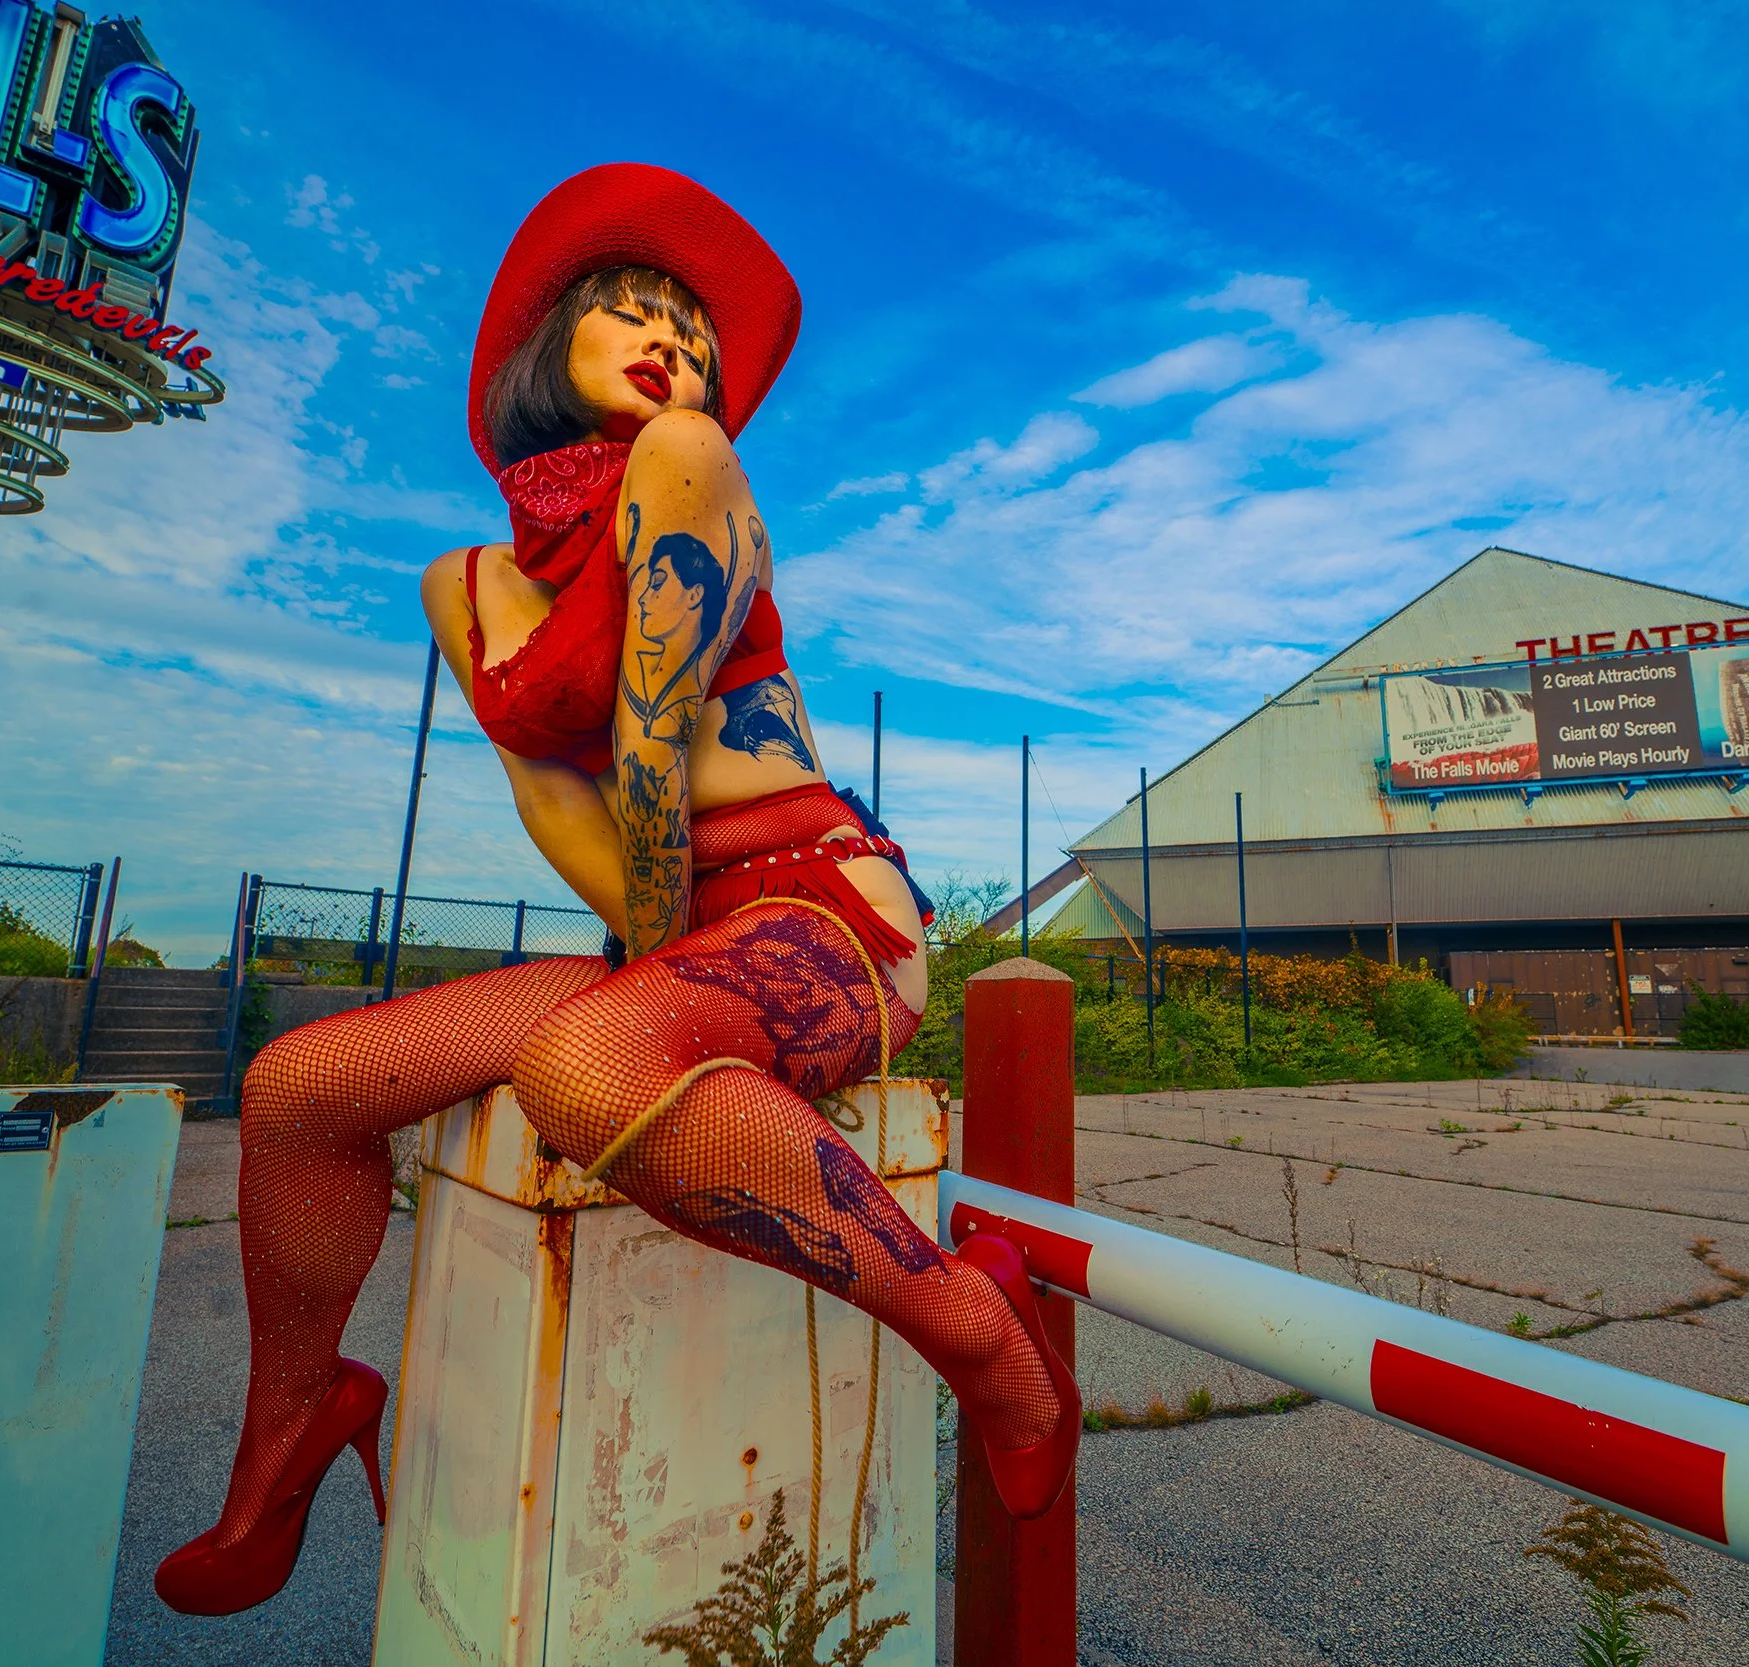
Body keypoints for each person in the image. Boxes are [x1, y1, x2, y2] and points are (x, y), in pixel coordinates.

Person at [156, 164, 1078, 1617]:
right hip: (673, 921)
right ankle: (296, 1420)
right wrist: (657, 954)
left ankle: (975, 1322)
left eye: (694, 331)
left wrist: (653, 975)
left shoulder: (689, 459)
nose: (676, 346)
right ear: (548, 350)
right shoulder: (465, 584)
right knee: (301, 1084)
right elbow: (558, 800)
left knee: (585, 1064)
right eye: (633, 312)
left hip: (820, 903)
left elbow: (649, 740)